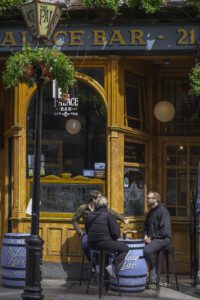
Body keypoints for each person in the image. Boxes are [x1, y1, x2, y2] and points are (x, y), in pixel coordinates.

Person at [72, 189, 129, 261]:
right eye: (99, 197)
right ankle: (92, 262)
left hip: (101, 233)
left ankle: (103, 264)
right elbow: (74, 220)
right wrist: (80, 231)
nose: (101, 198)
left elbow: (113, 213)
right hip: (88, 232)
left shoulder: (101, 207)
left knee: (107, 245)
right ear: (93, 199)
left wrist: (123, 219)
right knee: (85, 245)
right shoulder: (83, 208)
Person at [86, 196, 129, 278]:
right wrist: (112, 238)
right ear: (106, 205)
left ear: (95, 205)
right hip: (104, 243)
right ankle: (112, 266)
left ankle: (98, 267)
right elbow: (116, 233)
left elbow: (88, 231)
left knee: (101, 250)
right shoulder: (109, 215)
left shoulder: (89, 215)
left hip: (91, 244)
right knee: (125, 248)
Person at [143, 191, 171, 283]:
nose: (147, 199)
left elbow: (164, 231)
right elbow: (146, 226)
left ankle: (153, 270)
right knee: (137, 248)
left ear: (155, 199)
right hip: (152, 238)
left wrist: (151, 238)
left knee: (146, 250)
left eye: (149, 198)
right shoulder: (150, 211)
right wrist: (146, 235)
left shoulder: (163, 210)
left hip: (162, 239)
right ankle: (143, 275)